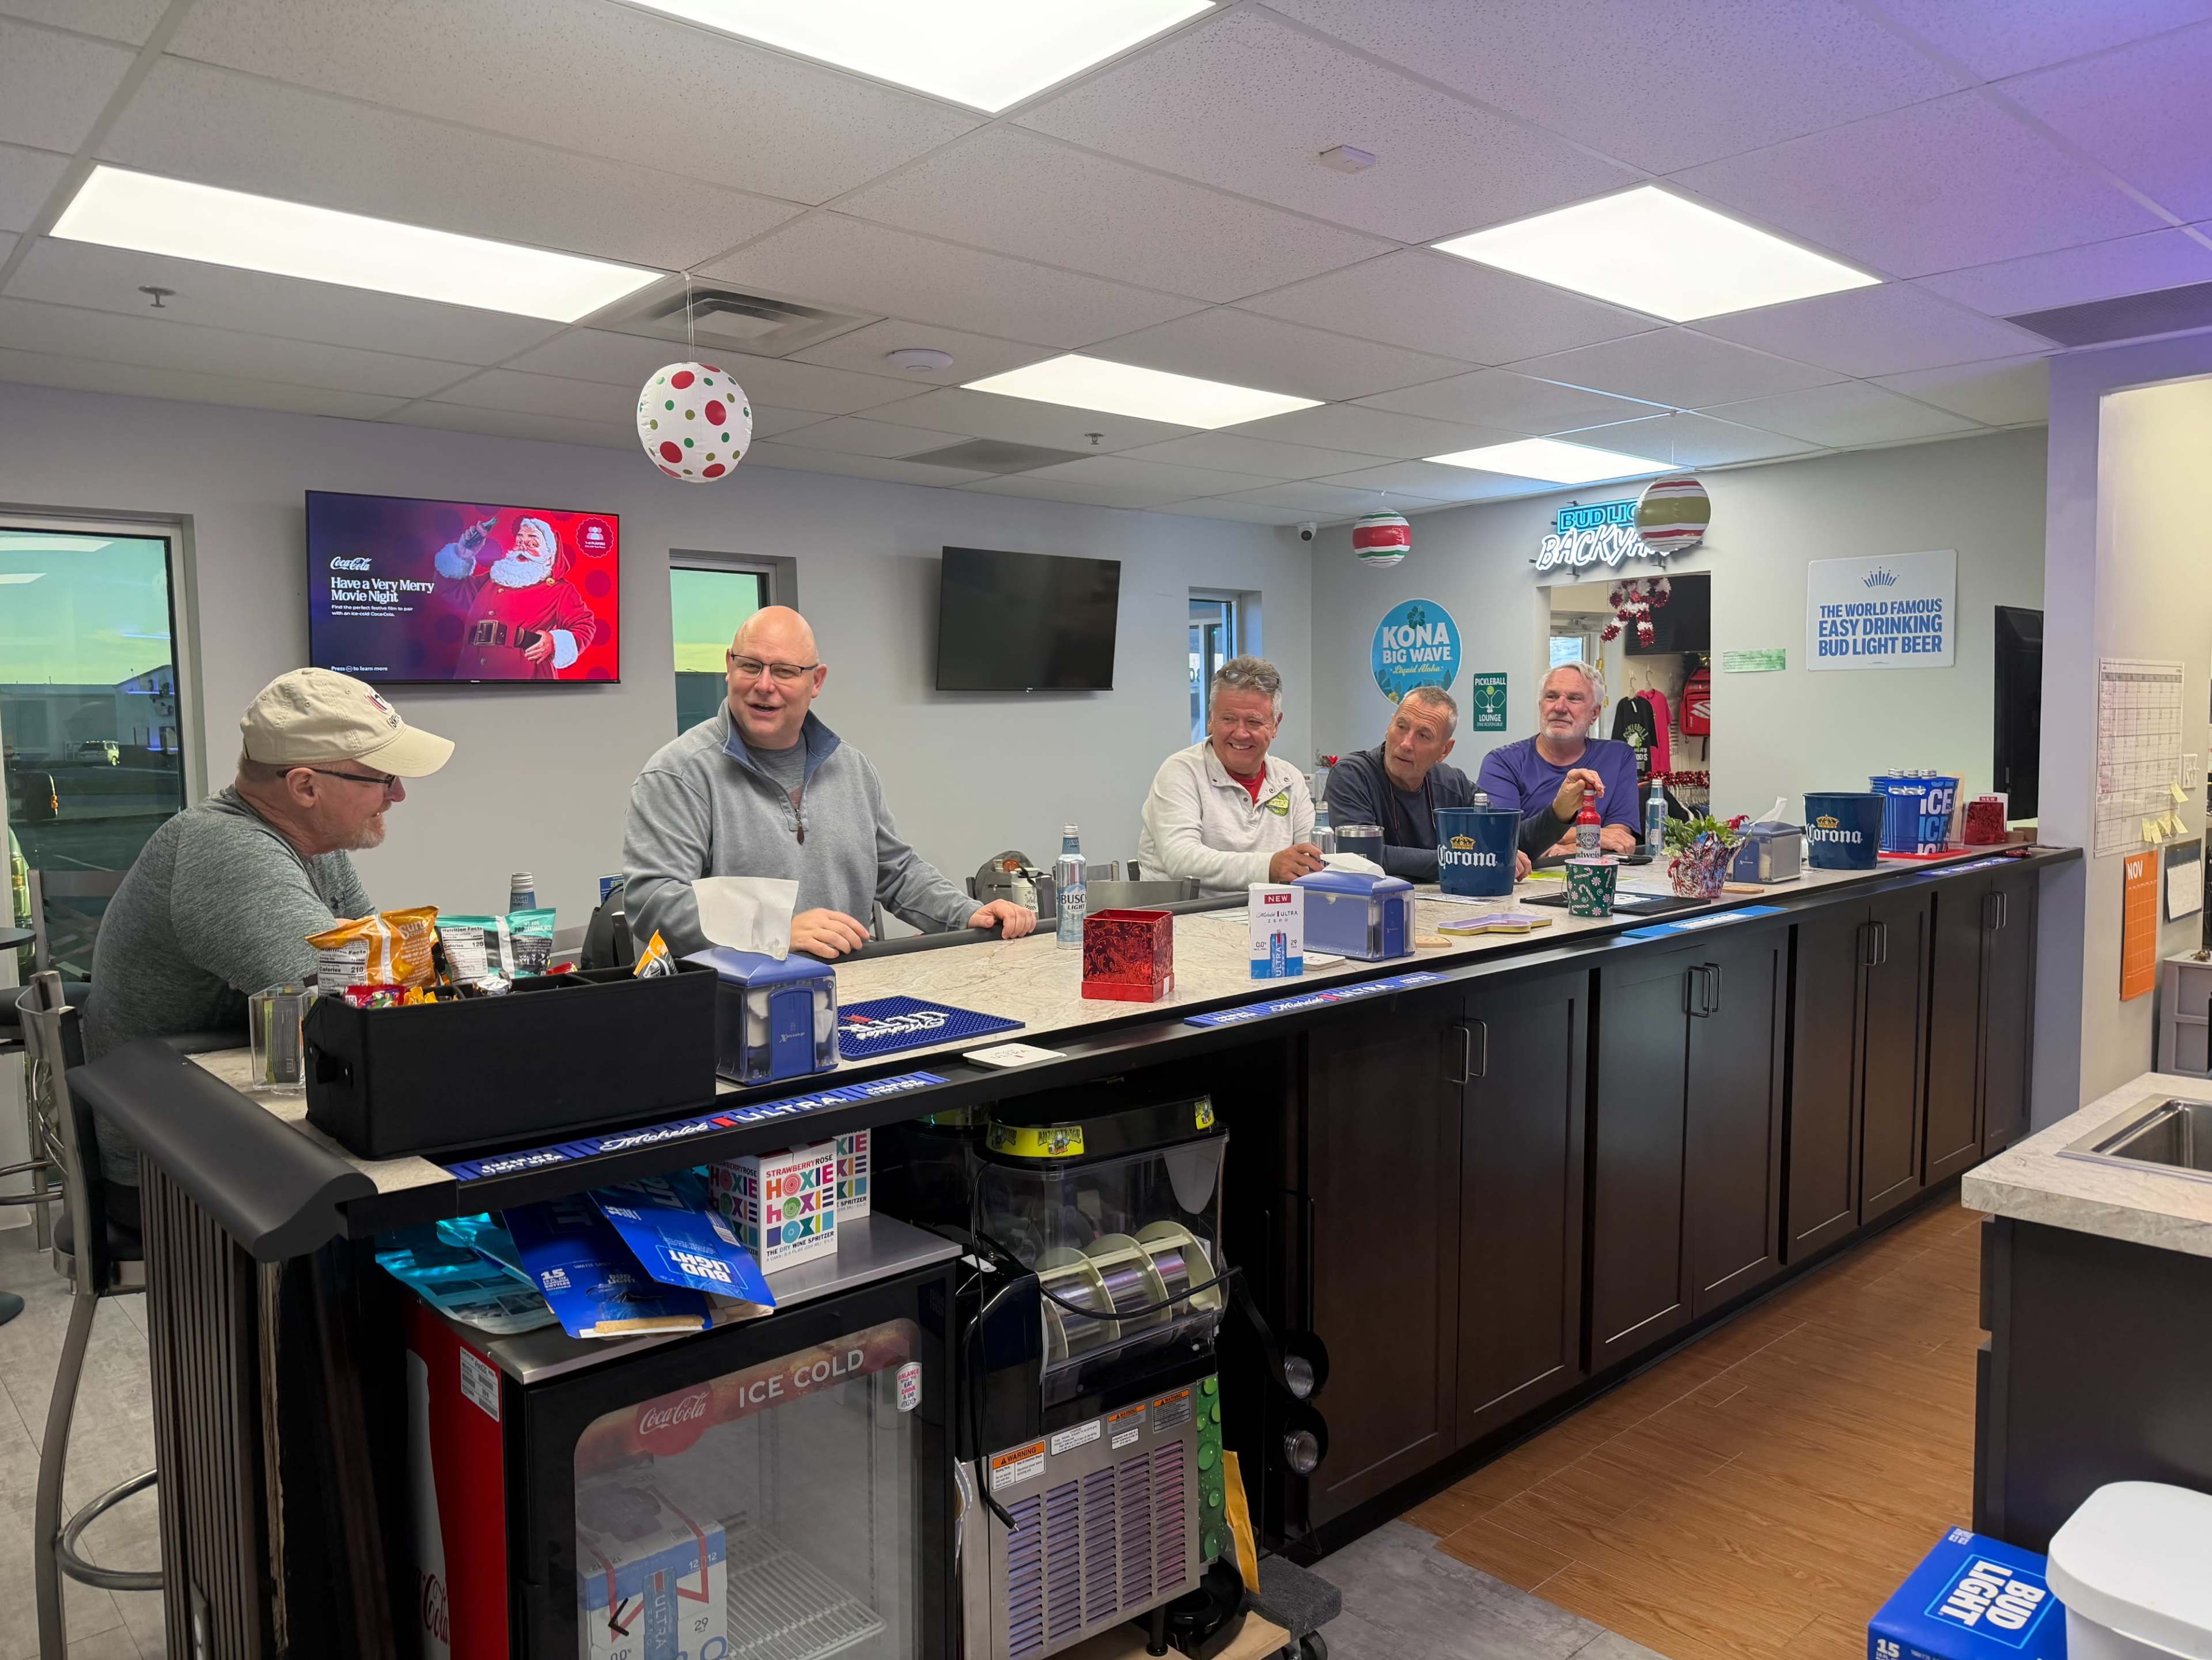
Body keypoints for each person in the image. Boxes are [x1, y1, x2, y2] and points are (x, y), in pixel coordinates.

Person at [82, 668, 453, 1226]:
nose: (397, 793)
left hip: (241, 1122)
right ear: (305, 786)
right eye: (381, 777)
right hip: (179, 1166)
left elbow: (393, 973)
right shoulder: (226, 848)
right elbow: (357, 1004)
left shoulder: (315, 840)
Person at [626, 606, 1034, 960]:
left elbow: (897, 872)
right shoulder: (679, 774)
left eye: (785, 671)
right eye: (750, 665)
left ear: (816, 681)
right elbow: (653, 900)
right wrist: (775, 931)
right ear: (729, 666)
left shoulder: (853, 770)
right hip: (734, 1014)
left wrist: (965, 913)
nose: (764, 684)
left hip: (852, 997)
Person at [1138, 656, 1320, 893]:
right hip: (1185, 923)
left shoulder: (1291, 780)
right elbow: (1181, 860)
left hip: (1273, 921)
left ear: (1276, 724)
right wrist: (1270, 866)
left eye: (1254, 722)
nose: (1241, 733)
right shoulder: (1181, 772)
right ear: (1211, 719)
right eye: (1229, 719)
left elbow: (1309, 860)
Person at [1324, 686, 1532, 883]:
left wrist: (1559, 813)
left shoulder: (1453, 784)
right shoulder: (1352, 775)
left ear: (1445, 751)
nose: (1406, 744)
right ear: (1389, 727)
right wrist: (1469, 861)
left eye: (1423, 736)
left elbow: (1510, 840)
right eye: (1401, 726)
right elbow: (1362, 855)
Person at [1475, 661, 1643, 860]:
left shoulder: (1618, 757)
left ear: (1595, 713)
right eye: (1552, 697)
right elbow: (1503, 838)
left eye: (1574, 699)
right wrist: (1592, 837)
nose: (1560, 707)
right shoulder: (1502, 763)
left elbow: (1617, 840)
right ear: (1540, 706)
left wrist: (1564, 848)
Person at [434, 513, 600, 680]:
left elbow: (584, 626)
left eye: (532, 543)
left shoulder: (560, 590)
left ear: (549, 557)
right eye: (520, 541)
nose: (523, 547)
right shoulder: (494, 579)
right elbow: (450, 590)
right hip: (471, 680)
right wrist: (462, 555)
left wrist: (554, 642)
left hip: (526, 682)